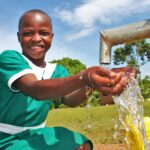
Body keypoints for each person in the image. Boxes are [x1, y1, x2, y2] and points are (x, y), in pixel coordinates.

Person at [0, 9, 136, 150]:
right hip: (7, 137)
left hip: (38, 133)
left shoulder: (57, 71)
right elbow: (35, 89)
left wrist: (94, 83)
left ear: (51, 37)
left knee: (82, 145)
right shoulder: (10, 58)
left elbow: (71, 100)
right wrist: (84, 77)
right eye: (28, 33)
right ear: (18, 37)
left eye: (43, 33)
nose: (36, 38)